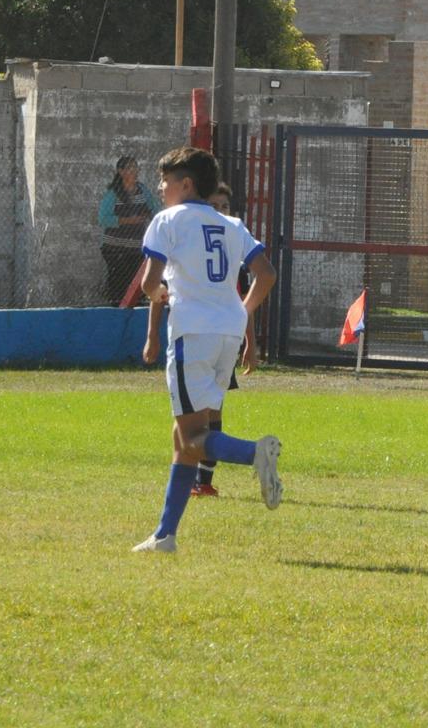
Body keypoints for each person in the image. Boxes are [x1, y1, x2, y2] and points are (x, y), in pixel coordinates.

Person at [132, 147, 280, 554]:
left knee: (194, 435)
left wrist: (159, 292)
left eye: (166, 181)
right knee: (185, 438)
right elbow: (265, 274)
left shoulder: (167, 220)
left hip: (192, 332)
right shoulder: (231, 223)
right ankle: (165, 535)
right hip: (227, 335)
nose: (161, 188)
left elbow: (149, 284)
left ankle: (256, 453)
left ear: (186, 184)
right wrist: (242, 310)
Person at [142, 182, 258, 498]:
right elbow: (157, 294)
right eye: (215, 205)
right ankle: (198, 483)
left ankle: (208, 478)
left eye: (224, 207)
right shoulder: (195, 247)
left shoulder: (226, 245)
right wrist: (152, 336)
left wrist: (251, 341)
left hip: (204, 334)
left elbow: (240, 299)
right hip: (218, 334)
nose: (219, 212)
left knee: (205, 417)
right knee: (198, 419)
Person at [97, 155, 162, 305]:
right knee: (117, 280)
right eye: (130, 168)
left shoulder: (142, 190)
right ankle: (115, 307)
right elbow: (103, 218)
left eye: (135, 167)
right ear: (121, 171)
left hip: (136, 247)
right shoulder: (113, 193)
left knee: (135, 281)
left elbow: (154, 208)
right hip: (114, 247)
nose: (135, 171)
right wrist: (127, 220)